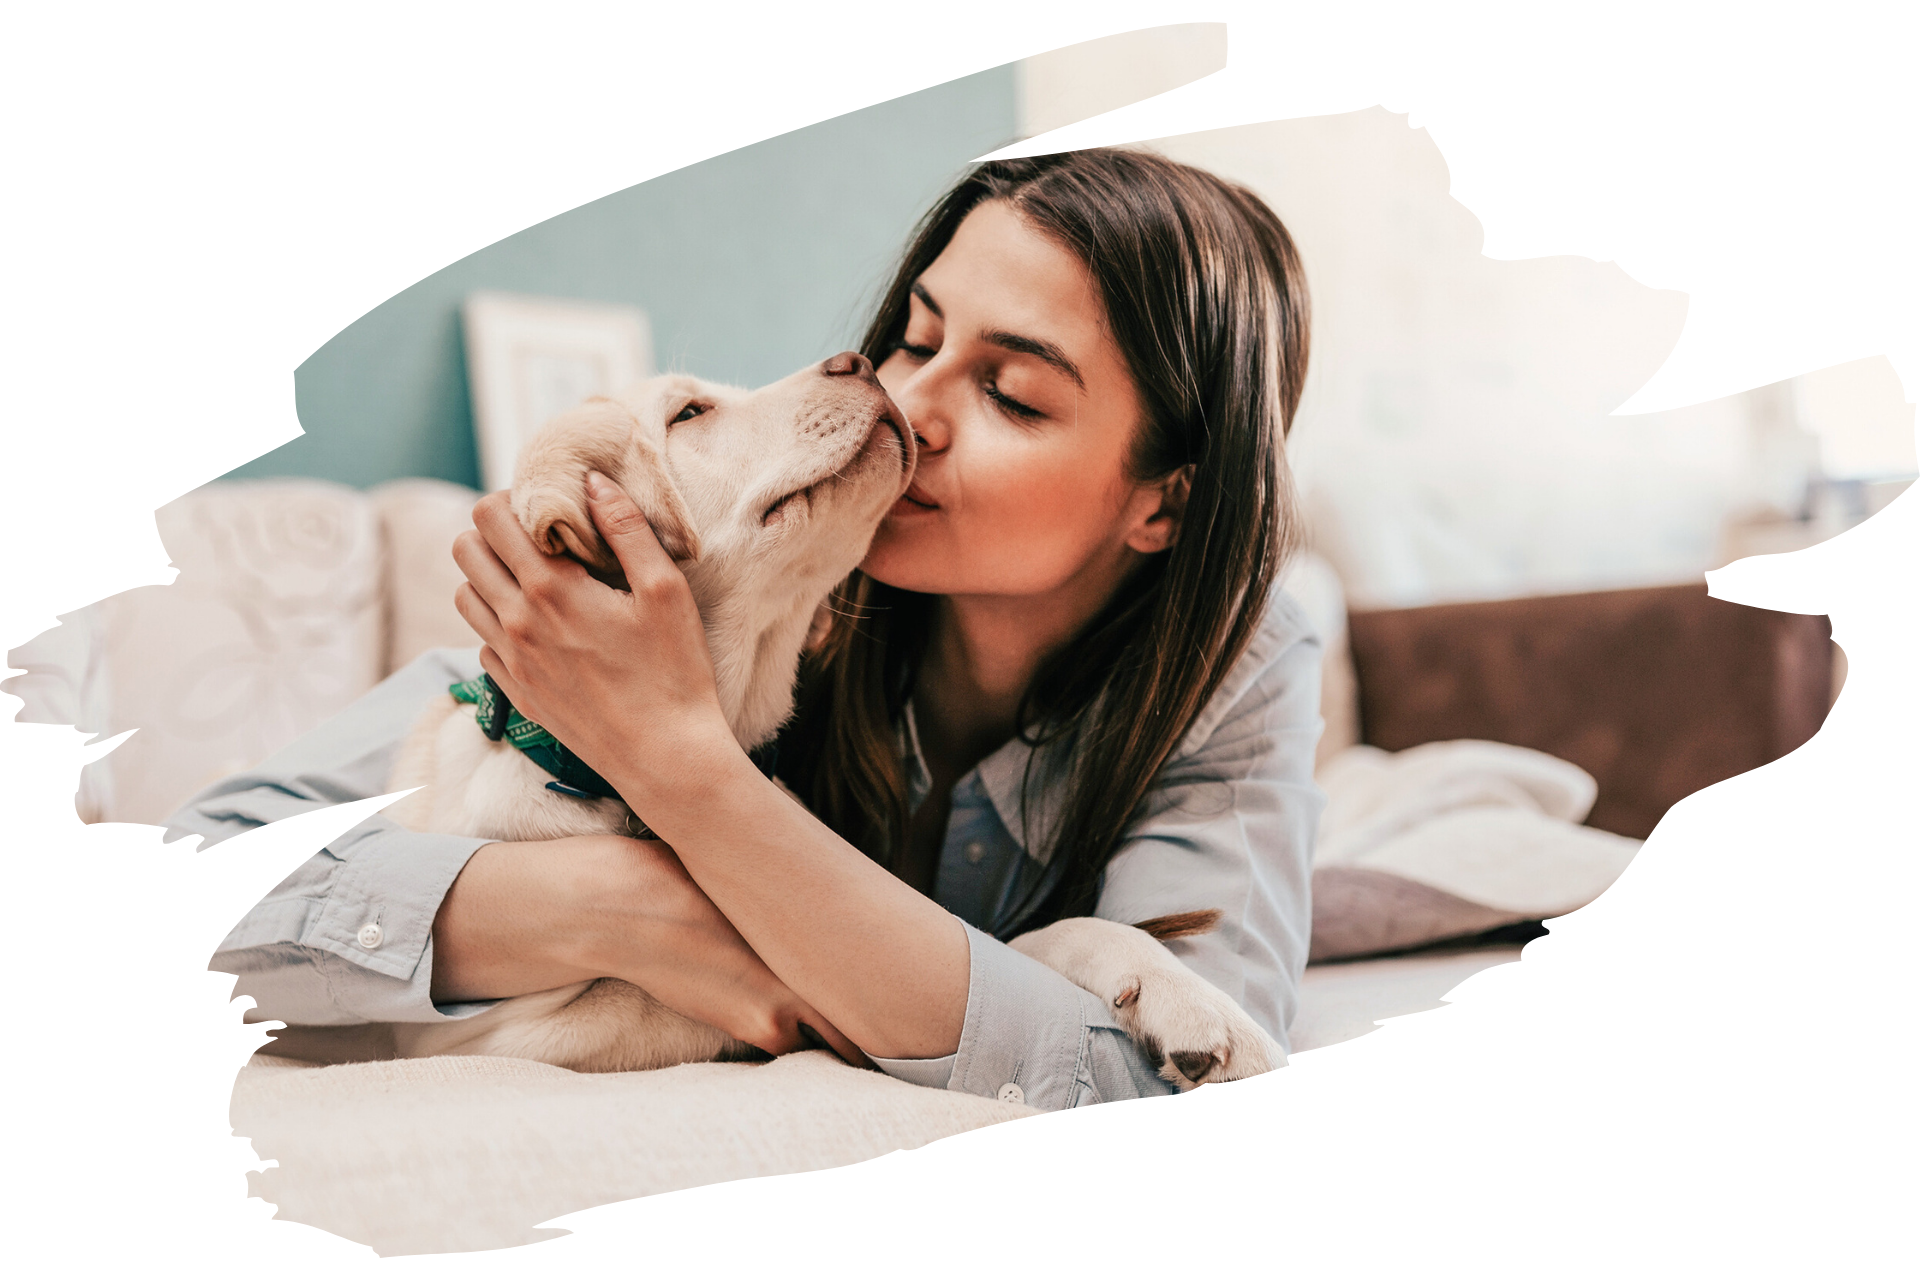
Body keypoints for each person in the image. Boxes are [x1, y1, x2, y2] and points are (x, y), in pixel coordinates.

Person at [182, 149, 1326, 1109]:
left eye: (1012, 393)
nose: (911, 405)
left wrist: (683, 767)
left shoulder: (1239, 664)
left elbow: (1163, 1066)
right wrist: (631, 906)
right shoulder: (746, 585)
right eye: (917, 337)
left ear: (1166, 503)